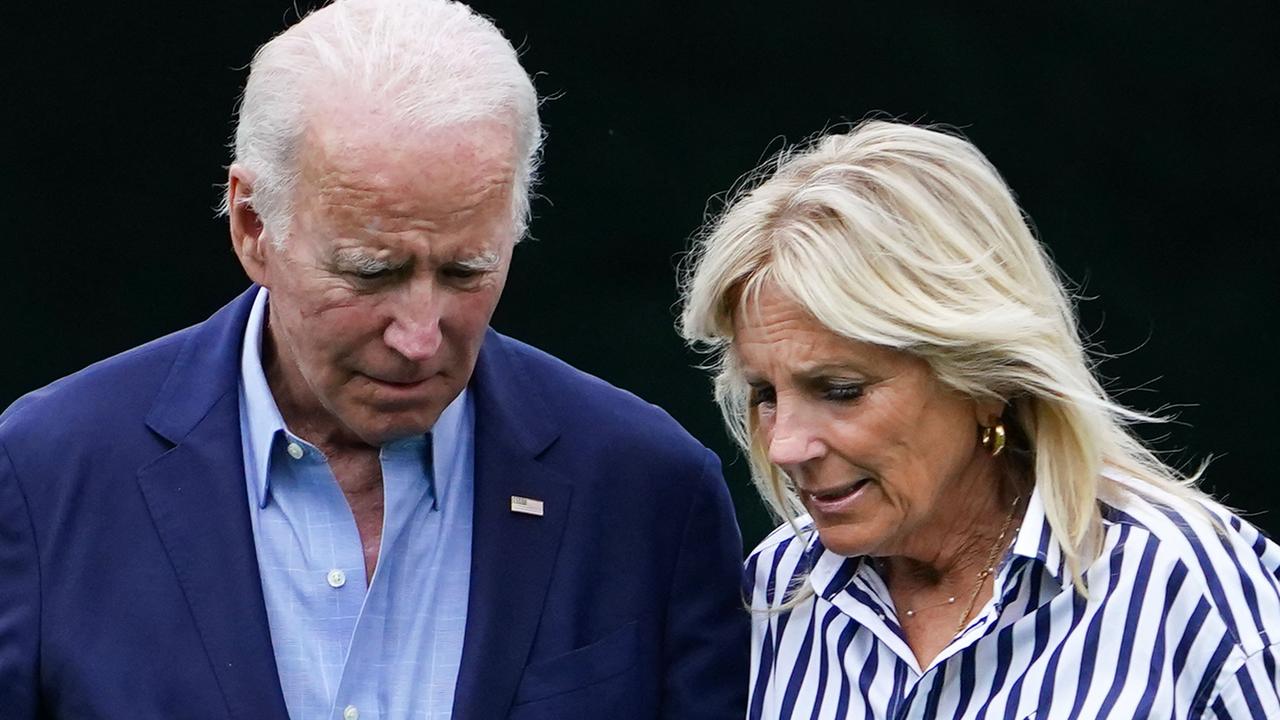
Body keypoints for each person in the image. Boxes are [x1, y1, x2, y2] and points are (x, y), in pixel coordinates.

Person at [0, 0, 748, 717]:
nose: (420, 336)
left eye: (465, 272)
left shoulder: (649, 493)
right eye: (371, 271)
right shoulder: (46, 476)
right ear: (253, 226)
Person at [678, 120, 1280, 718]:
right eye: (764, 394)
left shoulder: (1186, 586)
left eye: (840, 390)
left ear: (985, 379)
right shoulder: (780, 589)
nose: (785, 445)